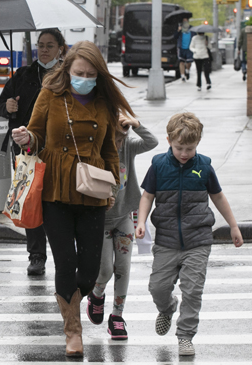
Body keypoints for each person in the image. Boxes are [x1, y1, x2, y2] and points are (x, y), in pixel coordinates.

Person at [11, 41, 134, 357]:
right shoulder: (50, 95)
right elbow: (37, 135)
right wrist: (27, 137)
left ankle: (88, 296)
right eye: (80, 72)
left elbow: (109, 148)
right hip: (55, 188)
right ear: (67, 70)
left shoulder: (103, 102)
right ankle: (73, 333)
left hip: (91, 190)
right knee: (65, 261)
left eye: (92, 74)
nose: (85, 78)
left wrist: (113, 185)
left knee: (91, 270)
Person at [136, 112, 244, 356]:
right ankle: (167, 308)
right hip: (166, 240)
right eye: (179, 147)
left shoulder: (204, 166)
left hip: (198, 240)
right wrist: (141, 221)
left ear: (197, 144)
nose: (184, 153)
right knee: (158, 287)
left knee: (193, 289)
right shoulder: (159, 165)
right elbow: (147, 196)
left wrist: (234, 226)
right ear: (168, 141)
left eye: (189, 148)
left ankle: (185, 336)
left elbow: (218, 196)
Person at [0, 28, 68, 276]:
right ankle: (37, 255)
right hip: (26, 150)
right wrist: (8, 106)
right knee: (30, 199)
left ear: (61, 48)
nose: (44, 49)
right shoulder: (23, 74)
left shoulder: (67, 75)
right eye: (41, 45)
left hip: (58, 149)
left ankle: (64, 253)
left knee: (56, 202)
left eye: (50, 45)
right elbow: (1, 105)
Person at [86, 113, 158, 340]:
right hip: (101, 220)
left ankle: (117, 317)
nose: (118, 144)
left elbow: (152, 142)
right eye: (114, 139)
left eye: (121, 138)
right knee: (106, 269)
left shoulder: (128, 146)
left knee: (124, 268)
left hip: (124, 216)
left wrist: (137, 124)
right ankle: (96, 294)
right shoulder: (95, 150)